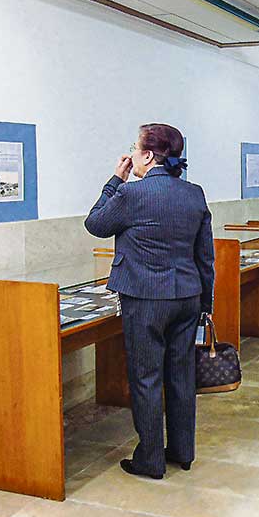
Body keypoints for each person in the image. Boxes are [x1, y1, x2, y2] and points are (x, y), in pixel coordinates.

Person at [84, 123, 214, 480]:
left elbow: (95, 223)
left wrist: (115, 181)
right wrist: (207, 302)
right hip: (187, 296)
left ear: (146, 155)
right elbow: (205, 255)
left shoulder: (132, 194)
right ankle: (182, 452)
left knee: (146, 377)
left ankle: (150, 460)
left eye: (134, 148)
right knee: (181, 375)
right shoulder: (194, 194)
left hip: (146, 298)